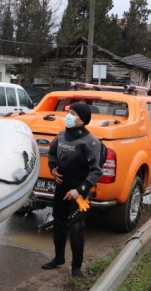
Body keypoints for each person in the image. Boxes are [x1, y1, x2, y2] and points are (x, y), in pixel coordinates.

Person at [41, 102, 103, 278]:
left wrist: (80, 190)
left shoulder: (91, 142)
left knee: (76, 227)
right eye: (69, 112)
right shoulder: (61, 136)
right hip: (61, 189)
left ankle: (76, 268)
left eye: (73, 113)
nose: (68, 115)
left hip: (81, 193)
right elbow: (52, 154)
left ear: (82, 120)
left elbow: (97, 172)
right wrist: (53, 169)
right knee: (59, 224)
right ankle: (58, 258)